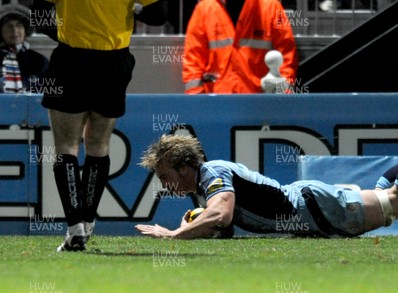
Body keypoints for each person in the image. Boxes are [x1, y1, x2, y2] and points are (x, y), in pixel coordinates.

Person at [135, 105, 398, 239]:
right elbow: (223, 226)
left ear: (185, 165)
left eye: (166, 173)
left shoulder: (211, 173)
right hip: (311, 207)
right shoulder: (204, 186)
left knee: (397, 204)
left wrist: (175, 234)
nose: (165, 184)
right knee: (384, 189)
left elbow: (222, 213)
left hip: (313, 208)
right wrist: (198, 225)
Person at [30, 0, 167, 252]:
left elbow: (37, 14)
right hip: (114, 61)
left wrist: (62, 31)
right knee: (99, 145)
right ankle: (88, 221)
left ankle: (75, 227)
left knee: (66, 146)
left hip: (72, 58)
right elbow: (159, 15)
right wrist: (133, 9)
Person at [182, 0, 299, 94]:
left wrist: (282, 96)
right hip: (217, 104)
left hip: (259, 105)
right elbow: (193, 61)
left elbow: (287, 56)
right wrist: (198, 102)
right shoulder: (205, 10)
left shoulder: (271, 8)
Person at [0, 3, 48, 93]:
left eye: (19, 25)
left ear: (25, 30)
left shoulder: (40, 61)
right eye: (9, 26)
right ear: (1, 32)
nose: (14, 31)